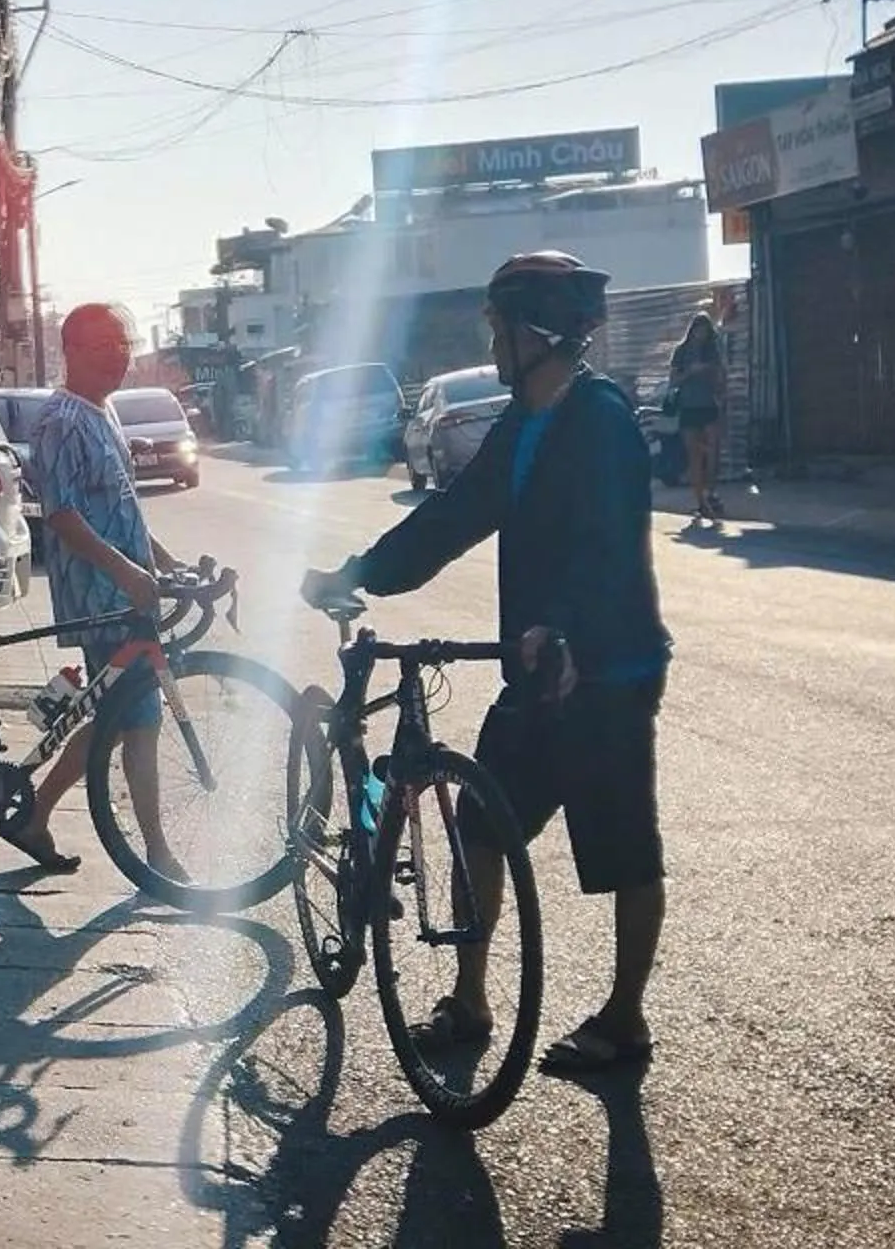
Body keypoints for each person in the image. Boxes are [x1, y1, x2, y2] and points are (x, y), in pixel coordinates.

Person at [304, 249, 670, 1078]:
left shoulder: (598, 419)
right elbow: (454, 515)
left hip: (607, 670)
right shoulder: (522, 424)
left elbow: (609, 542)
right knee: (480, 822)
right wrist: (360, 574)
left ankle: (624, 1018)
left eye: (497, 328)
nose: (492, 343)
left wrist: (566, 627)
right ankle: (470, 999)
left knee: (622, 849)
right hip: (538, 672)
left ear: (533, 333)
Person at [13, 302, 187, 876]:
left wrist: (165, 562)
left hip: (128, 598)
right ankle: (156, 855)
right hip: (101, 601)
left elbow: (123, 510)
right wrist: (128, 573)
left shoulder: (103, 412)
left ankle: (35, 819)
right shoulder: (62, 421)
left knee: (119, 721)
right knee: (136, 723)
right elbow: (63, 516)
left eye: (123, 343)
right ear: (70, 354)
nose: (118, 355)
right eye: (102, 346)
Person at [669, 312, 725, 521]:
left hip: (709, 404)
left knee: (713, 450)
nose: (700, 334)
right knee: (694, 454)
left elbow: (720, 376)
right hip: (689, 406)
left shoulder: (712, 351)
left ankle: (711, 492)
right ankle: (699, 500)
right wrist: (691, 372)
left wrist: (713, 376)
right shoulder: (681, 352)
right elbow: (674, 380)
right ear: (691, 331)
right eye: (697, 330)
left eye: (704, 331)